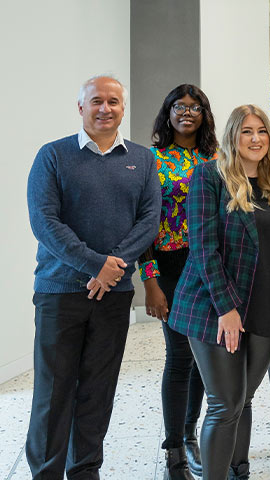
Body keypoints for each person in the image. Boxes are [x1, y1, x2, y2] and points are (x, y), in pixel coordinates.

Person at [26, 75, 161, 479]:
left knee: (97, 392)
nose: (106, 108)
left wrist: (111, 267)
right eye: (97, 101)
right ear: (81, 107)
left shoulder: (142, 159)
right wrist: (93, 264)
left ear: (124, 108)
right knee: (53, 392)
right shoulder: (52, 156)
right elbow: (44, 222)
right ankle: (46, 473)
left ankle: (85, 470)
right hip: (59, 292)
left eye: (114, 101)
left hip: (114, 295)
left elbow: (149, 220)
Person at [168, 105, 270, 480]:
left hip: (267, 308)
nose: (256, 139)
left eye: (262, 131)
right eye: (247, 131)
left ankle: (238, 472)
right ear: (233, 136)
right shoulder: (209, 177)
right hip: (216, 307)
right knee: (224, 403)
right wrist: (226, 309)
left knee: (243, 398)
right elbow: (202, 248)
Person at [138, 84, 218, 479]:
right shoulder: (150, 161)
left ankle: (190, 434)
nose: (187, 112)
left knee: (202, 356)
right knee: (179, 355)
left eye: (196, 106)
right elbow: (143, 227)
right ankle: (174, 450)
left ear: (205, 114)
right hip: (168, 264)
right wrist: (150, 282)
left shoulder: (216, 159)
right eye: (179, 106)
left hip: (209, 264)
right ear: (167, 112)